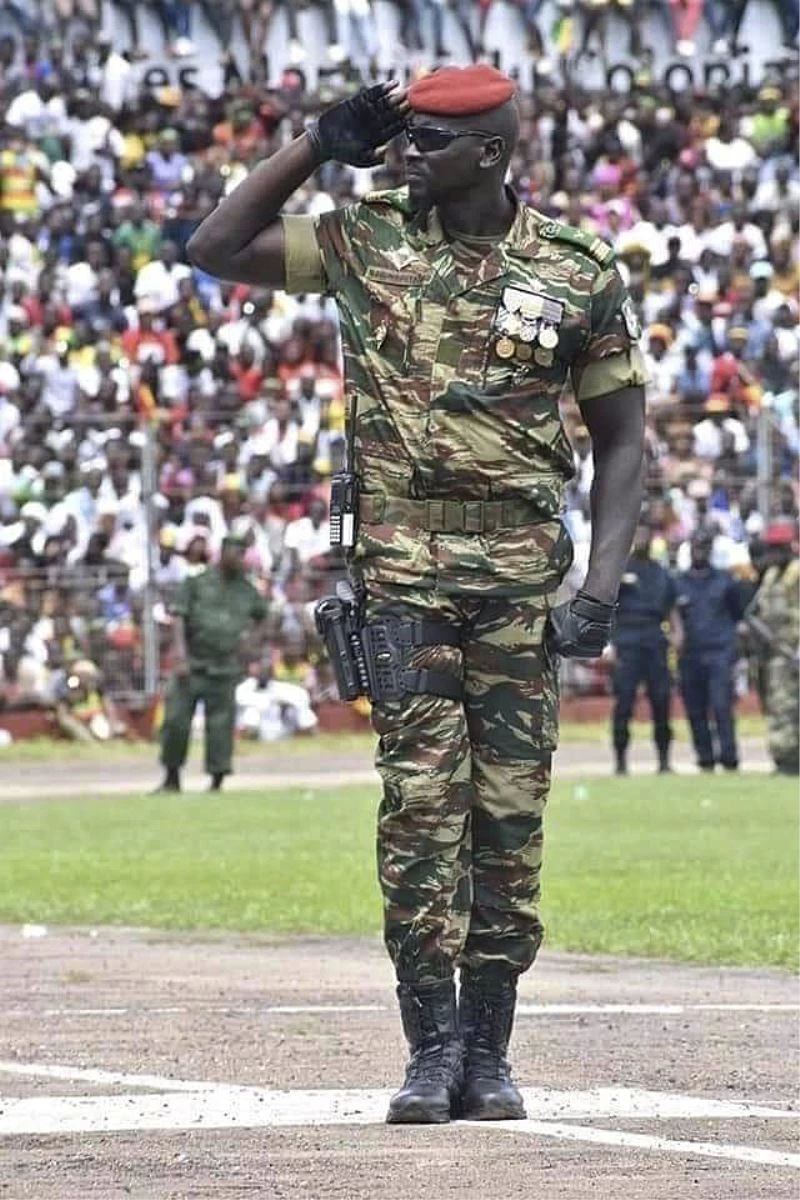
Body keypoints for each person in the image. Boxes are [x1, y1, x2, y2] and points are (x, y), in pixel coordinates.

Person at [193, 69, 645, 1125]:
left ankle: (489, 1051)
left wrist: (601, 586)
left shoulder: (574, 269)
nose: (408, 154)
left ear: (490, 153)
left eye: (431, 142)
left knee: (508, 817)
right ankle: (430, 1050)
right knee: (420, 810)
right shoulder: (366, 238)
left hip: (519, 580)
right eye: (404, 138)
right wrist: (316, 145)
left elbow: (622, 439)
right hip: (404, 574)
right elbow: (213, 246)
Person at [155, 532, 269, 793]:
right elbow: (179, 617)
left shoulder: (246, 589)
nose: (240, 559)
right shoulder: (197, 582)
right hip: (192, 664)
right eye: (236, 553)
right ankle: (171, 777)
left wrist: (250, 645)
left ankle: (217, 780)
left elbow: (263, 616)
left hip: (225, 666)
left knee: (220, 726)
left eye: (243, 554)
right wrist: (180, 656)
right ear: (224, 552)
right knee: (176, 720)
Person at [608, 521, 677, 775]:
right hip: (626, 639)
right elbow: (607, 608)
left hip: (654, 639)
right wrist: (609, 644)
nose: (641, 540)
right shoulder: (619, 570)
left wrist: (677, 634)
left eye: (645, 535)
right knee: (624, 701)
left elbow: (670, 608)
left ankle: (664, 760)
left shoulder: (660, 573)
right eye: (637, 535)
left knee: (661, 700)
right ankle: (620, 762)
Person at [675, 529, 745, 773]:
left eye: (704, 547)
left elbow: (737, 615)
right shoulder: (678, 583)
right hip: (690, 654)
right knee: (695, 709)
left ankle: (729, 758)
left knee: (722, 705)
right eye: (696, 546)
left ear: (711, 550)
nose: (700, 551)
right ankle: (705, 758)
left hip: (719, 652)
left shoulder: (725, 581)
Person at [744, 522, 799, 775]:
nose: (774, 554)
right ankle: (785, 758)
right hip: (777, 652)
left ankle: (790, 759)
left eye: (778, 548)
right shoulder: (771, 575)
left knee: (788, 705)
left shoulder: (796, 573)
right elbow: (756, 611)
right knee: (779, 705)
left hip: (793, 650)